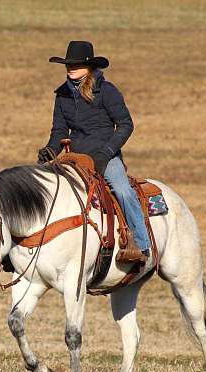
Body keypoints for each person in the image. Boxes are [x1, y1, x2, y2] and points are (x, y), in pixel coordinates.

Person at [38, 40, 150, 263]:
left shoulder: (107, 91)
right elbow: (60, 129)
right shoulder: (62, 94)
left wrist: (107, 151)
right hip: (74, 157)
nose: (71, 68)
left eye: (77, 64)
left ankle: (141, 244)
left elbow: (126, 125)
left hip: (105, 156)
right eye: (68, 64)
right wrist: (51, 149)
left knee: (123, 190)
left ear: (89, 66)